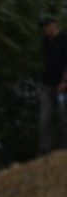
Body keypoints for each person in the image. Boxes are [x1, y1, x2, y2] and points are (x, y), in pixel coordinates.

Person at [38, 14, 67, 154]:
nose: (46, 29)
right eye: (44, 26)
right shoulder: (45, 41)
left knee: (63, 115)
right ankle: (44, 148)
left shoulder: (64, 39)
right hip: (46, 85)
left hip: (61, 86)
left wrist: (65, 81)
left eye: (47, 25)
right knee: (45, 117)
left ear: (54, 24)